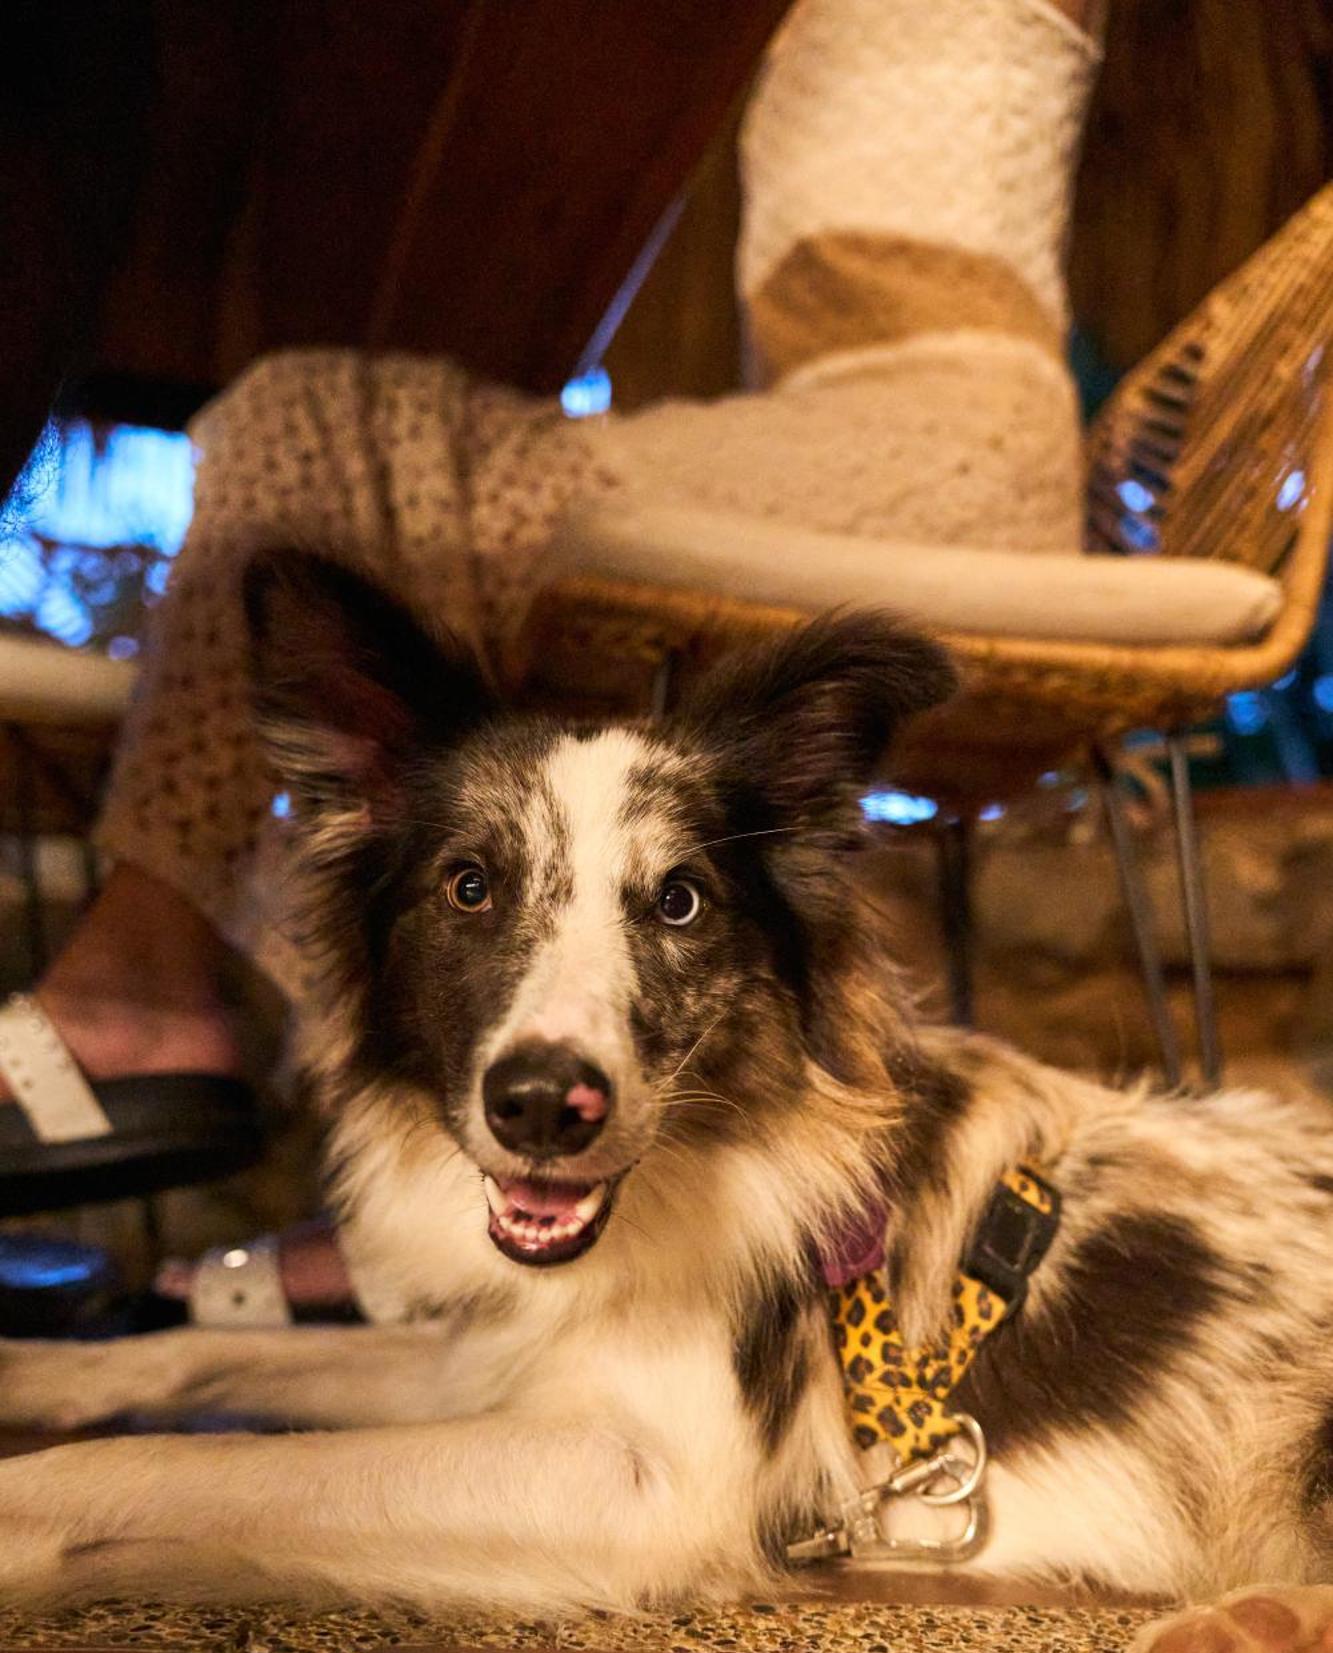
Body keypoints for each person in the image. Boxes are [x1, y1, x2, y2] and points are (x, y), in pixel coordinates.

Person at [0, 0, 1103, 1320]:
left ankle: (137, 985)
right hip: (850, 425)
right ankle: (393, 1155)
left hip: (946, 435)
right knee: (370, 486)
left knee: (315, 423)